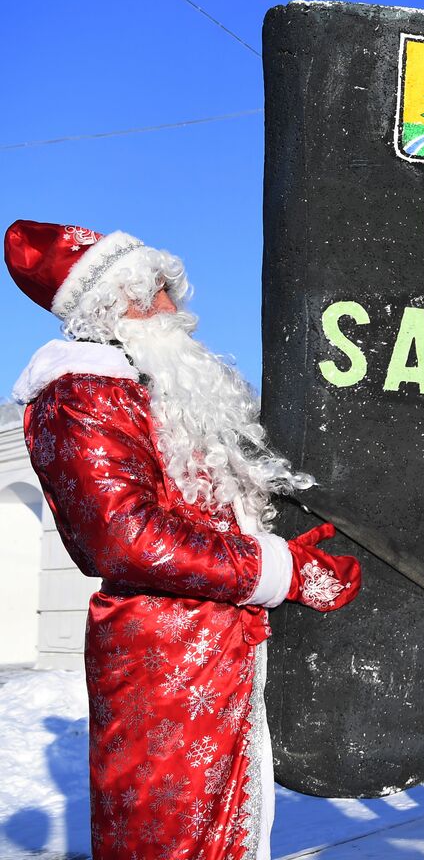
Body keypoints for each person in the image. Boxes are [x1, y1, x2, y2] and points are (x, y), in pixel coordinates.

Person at [5, 219, 362, 860]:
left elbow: (194, 509)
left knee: (233, 837)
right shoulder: (80, 395)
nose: (175, 309)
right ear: (107, 310)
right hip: (164, 667)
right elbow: (123, 536)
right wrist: (278, 568)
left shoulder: (151, 389)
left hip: (216, 656)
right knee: (170, 843)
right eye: (152, 294)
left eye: (169, 288)